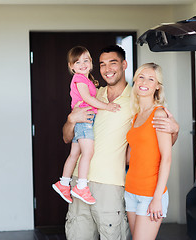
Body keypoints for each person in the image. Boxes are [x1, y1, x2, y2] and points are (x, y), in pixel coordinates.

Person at [62, 45, 179, 240]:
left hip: (110, 185)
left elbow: (154, 143)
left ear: (124, 65)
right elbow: (67, 137)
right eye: (102, 64)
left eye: (113, 63)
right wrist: (71, 119)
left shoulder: (136, 100)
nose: (107, 69)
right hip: (79, 181)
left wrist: (174, 129)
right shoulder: (91, 96)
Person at [52, 46, 120, 205]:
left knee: (75, 153)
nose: (82, 64)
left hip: (81, 121)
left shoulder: (86, 79)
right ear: (71, 66)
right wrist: (107, 106)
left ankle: (63, 183)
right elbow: (87, 99)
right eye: (77, 62)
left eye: (86, 60)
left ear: (91, 62)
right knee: (87, 152)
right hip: (84, 120)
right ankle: (81, 187)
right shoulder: (79, 79)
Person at [125, 63, 171, 240]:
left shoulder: (159, 114)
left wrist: (157, 198)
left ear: (157, 86)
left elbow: (166, 158)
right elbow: (133, 156)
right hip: (131, 191)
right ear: (135, 80)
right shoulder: (135, 116)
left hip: (150, 194)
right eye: (141, 77)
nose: (144, 82)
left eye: (151, 79)